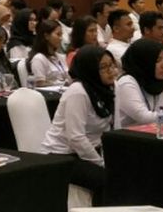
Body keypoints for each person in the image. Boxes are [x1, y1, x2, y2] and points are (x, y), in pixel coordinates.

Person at [39, 46, 116, 199]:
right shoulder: (78, 92)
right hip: (61, 155)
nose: (110, 71)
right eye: (103, 67)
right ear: (90, 69)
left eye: (111, 65)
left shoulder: (107, 90)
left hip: (89, 151)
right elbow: (76, 137)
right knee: (106, 179)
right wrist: (99, 162)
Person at [26, 20, 70, 86]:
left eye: (61, 34)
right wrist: (60, 84)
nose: (61, 38)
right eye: (58, 34)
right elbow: (40, 84)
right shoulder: (39, 58)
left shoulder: (61, 57)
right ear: (46, 36)